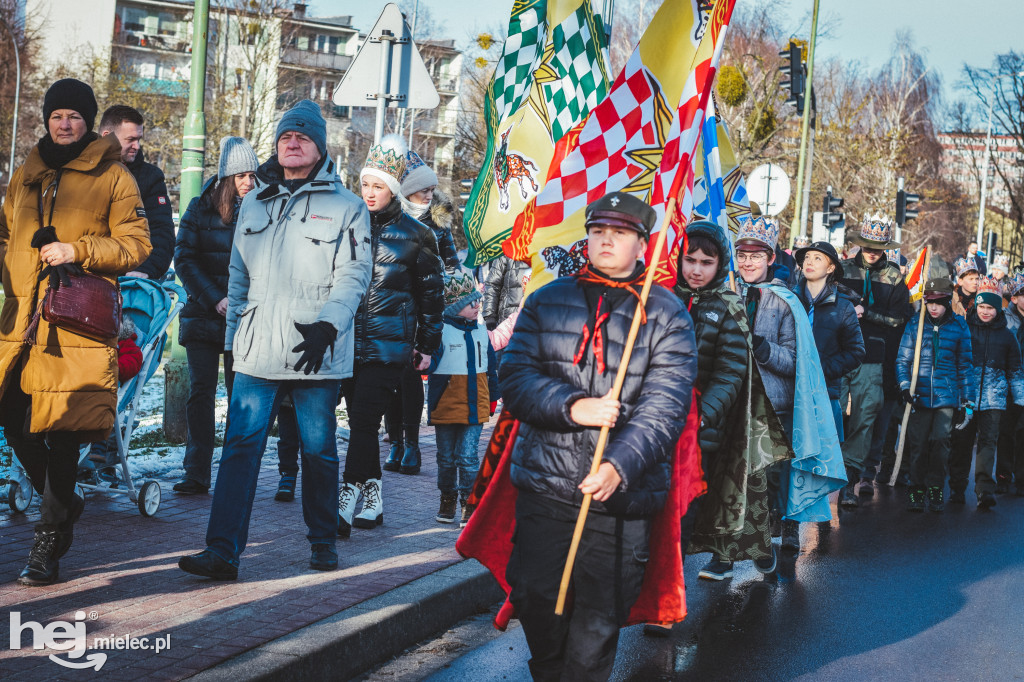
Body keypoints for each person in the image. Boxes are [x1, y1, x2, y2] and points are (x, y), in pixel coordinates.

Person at [500, 191, 696, 681]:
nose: (607, 239)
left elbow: (665, 408)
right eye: (599, 230)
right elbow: (515, 378)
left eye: (621, 232)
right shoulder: (546, 300)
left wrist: (618, 467)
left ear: (642, 244)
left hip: (620, 499)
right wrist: (574, 407)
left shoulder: (669, 315)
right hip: (546, 487)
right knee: (537, 599)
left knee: (596, 622)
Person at [178, 100, 372, 579]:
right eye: (286, 136)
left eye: (303, 137)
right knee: (240, 448)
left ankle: (323, 542)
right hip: (256, 350)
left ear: (319, 147)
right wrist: (233, 340)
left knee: (319, 450)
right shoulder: (253, 201)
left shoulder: (347, 206)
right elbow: (238, 277)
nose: (292, 142)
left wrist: (330, 325)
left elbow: (355, 273)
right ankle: (223, 552)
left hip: (316, 350)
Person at [0, 78, 151, 585]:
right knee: (11, 411)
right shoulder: (28, 169)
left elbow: (136, 244)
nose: (64, 124)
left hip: (74, 324)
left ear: (89, 123)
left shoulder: (113, 175)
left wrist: (77, 249)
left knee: (62, 429)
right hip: (21, 319)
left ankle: (47, 543)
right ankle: (63, 503)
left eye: (74, 117)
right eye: (56, 116)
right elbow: (7, 231)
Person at [338, 134, 444, 539]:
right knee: (359, 422)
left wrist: (426, 346)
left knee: (364, 423)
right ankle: (376, 496)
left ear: (394, 189)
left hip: (388, 346)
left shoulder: (418, 235)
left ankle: (346, 497)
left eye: (378, 186)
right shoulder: (348, 223)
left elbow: (430, 296)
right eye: (365, 184)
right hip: (346, 343)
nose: (369, 193)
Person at [668, 220, 777, 584]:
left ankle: (743, 551)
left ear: (719, 265)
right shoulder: (665, 297)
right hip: (659, 421)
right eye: (690, 260)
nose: (696, 269)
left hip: (705, 426)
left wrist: (704, 414)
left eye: (706, 262)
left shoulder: (728, 306)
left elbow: (732, 371)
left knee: (709, 500)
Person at [172, 136, 259, 495]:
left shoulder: (260, 210)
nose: (249, 183)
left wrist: (241, 301)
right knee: (201, 393)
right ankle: (197, 472)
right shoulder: (199, 208)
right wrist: (214, 299)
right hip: (205, 316)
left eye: (253, 175)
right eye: (242, 175)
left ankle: (234, 472)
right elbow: (185, 259)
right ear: (227, 175)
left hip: (243, 318)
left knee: (240, 396)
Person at [382, 150, 461, 476]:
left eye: (431, 190)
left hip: (423, 309)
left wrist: (449, 276)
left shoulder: (438, 223)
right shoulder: (387, 217)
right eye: (422, 190)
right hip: (389, 309)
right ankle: (396, 440)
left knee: (410, 375)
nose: (429, 195)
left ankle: (411, 445)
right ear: (405, 189)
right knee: (388, 378)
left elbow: (454, 267)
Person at [734, 216, 800, 549]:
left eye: (756, 255)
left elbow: (794, 361)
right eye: (742, 254)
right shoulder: (725, 295)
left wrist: (763, 348)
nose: (748, 262)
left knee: (774, 475)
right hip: (734, 402)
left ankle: (781, 526)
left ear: (771, 258)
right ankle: (732, 550)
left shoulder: (785, 300)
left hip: (775, 403)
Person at [839, 216, 911, 498]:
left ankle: (851, 482)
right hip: (839, 352)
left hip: (873, 355)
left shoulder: (894, 277)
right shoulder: (841, 269)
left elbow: (899, 319)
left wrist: (867, 313)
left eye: (878, 247)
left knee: (865, 418)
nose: (872, 251)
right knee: (834, 414)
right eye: (868, 245)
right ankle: (826, 476)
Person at [794, 241, 865, 507]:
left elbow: (856, 351)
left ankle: (817, 511)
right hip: (790, 389)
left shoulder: (843, 307)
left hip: (825, 391)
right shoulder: (789, 298)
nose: (810, 262)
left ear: (831, 267)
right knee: (791, 454)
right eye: (806, 257)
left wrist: (821, 370)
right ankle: (787, 523)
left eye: (818, 258)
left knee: (820, 458)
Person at [425, 268, 497, 527]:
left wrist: (493, 397)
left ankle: (469, 500)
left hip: (475, 403)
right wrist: (422, 362)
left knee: (467, 457)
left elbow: (491, 368)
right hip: (445, 404)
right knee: (446, 457)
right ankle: (447, 496)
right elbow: (430, 364)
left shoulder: (480, 332)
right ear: (454, 307)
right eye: (470, 302)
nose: (477, 305)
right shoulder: (440, 332)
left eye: (477, 300)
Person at [897, 277, 975, 512]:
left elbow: (965, 365)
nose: (933, 307)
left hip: (946, 396)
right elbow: (903, 359)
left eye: (939, 302)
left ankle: (935, 486)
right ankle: (916, 487)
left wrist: (967, 400)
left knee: (941, 442)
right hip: (918, 395)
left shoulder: (960, 326)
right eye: (929, 302)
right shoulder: (915, 324)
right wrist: (903, 385)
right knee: (918, 444)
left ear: (947, 302)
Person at [949, 276, 1024, 508]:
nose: (985, 311)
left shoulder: (1007, 335)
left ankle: (984, 489)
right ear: (976, 306)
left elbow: (1015, 369)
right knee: (962, 441)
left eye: (990, 307)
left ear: (997, 309)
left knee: (988, 443)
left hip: (994, 399)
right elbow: (953, 361)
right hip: (967, 397)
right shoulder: (964, 329)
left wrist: (1020, 397)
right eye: (982, 306)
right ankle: (958, 487)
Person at [98, 105, 175, 280]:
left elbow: (161, 231)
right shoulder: (81, 171)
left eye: (139, 139)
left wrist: (145, 269)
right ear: (106, 137)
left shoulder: (151, 178)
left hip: (129, 280)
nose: (137, 146)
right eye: (130, 139)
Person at [998, 272, 1024, 495]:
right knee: (1006, 430)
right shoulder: (1005, 320)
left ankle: (1021, 478)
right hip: (1008, 382)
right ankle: (1003, 476)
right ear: (1014, 298)